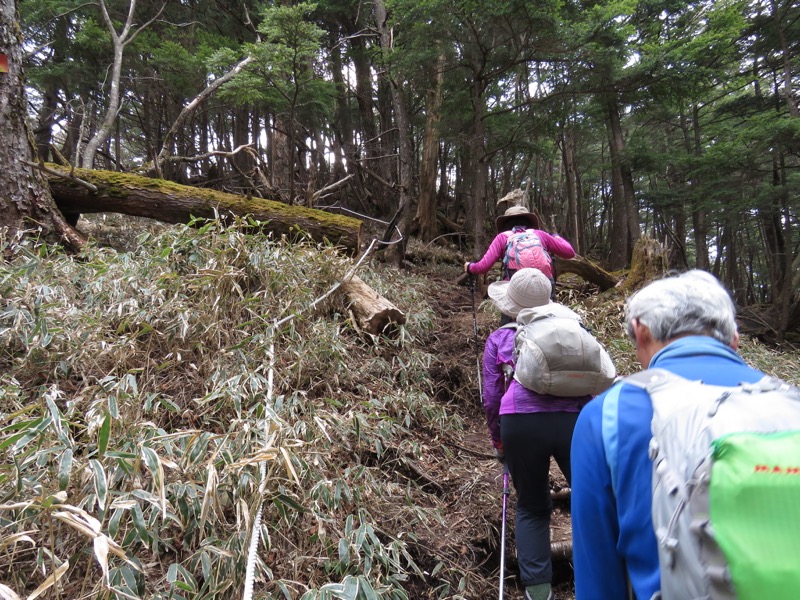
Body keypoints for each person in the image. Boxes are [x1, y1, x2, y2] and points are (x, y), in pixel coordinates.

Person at [570, 270, 766, 600]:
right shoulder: (791, 401)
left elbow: (597, 578)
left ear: (640, 332)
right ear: (734, 339)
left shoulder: (607, 414)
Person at [482, 268, 591, 600]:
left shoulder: (500, 338)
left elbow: (491, 398)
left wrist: (499, 440)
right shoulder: (572, 328)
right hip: (577, 420)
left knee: (531, 506)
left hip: (521, 422)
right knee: (592, 500)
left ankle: (539, 592)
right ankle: (601, 578)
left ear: (509, 303)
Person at [464, 205, 576, 283]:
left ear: (505, 223)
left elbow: (483, 267)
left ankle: (510, 318)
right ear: (528, 221)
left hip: (515, 287)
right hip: (544, 285)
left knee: (509, 313)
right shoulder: (539, 234)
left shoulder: (502, 237)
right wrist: (556, 236)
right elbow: (570, 253)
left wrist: (470, 267)